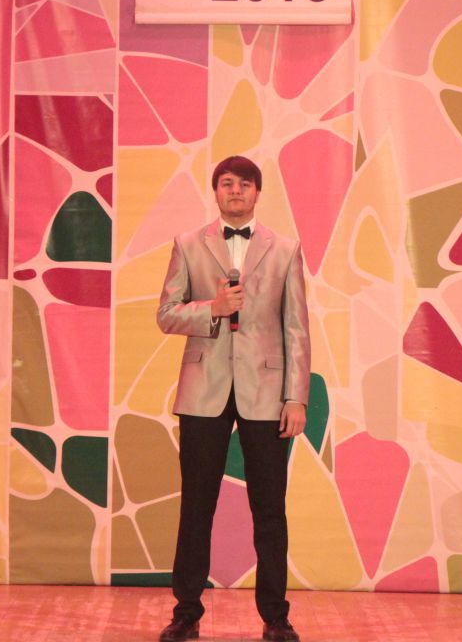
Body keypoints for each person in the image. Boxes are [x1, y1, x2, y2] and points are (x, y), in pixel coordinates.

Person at [155, 155, 311, 642]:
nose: (236, 191)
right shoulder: (188, 244)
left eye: (245, 184)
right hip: (203, 391)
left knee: (270, 509)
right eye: (227, 183)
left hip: (267, 393)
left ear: (257, 192)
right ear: (216, 191)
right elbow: (166, 314)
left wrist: (296, 397)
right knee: (196, 506)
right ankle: (186, 613)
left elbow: (296, 328)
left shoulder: (285, 249)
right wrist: (213, 308)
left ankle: (276, 617)